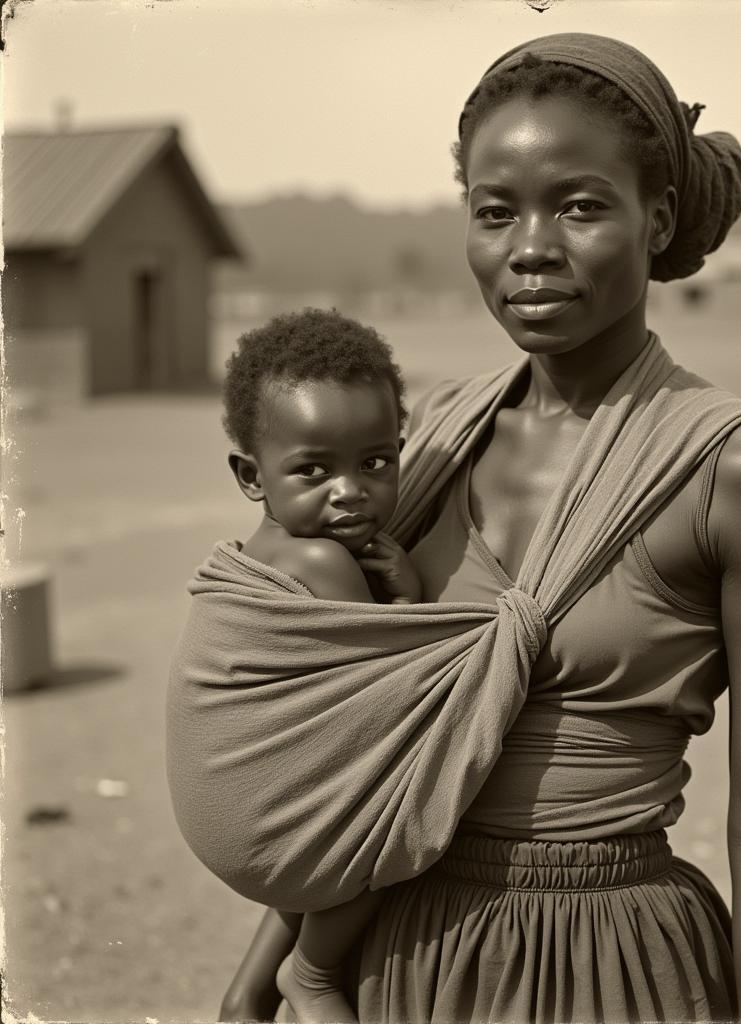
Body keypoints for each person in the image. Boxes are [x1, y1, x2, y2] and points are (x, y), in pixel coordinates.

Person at [218, 32, 741, 1023]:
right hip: (402, 960)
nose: (531, 247)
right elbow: (375, 759)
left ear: (656, 216)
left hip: (615, 962)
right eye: (494, 212)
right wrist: (256, 986)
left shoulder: (740, 471)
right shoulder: (424, 452)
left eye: (580, 205)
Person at [215, 308, 422, 1022]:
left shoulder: (260, 551)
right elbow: (406, 699)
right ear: (251, 475)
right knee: (410, 799)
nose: (350, 490)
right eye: (313, 469)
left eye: (375, 462)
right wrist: (413, 599)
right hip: (286, 823)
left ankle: (246, 994)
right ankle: (313, 972)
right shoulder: (321, 561)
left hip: (254, 813)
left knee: (345, 792)